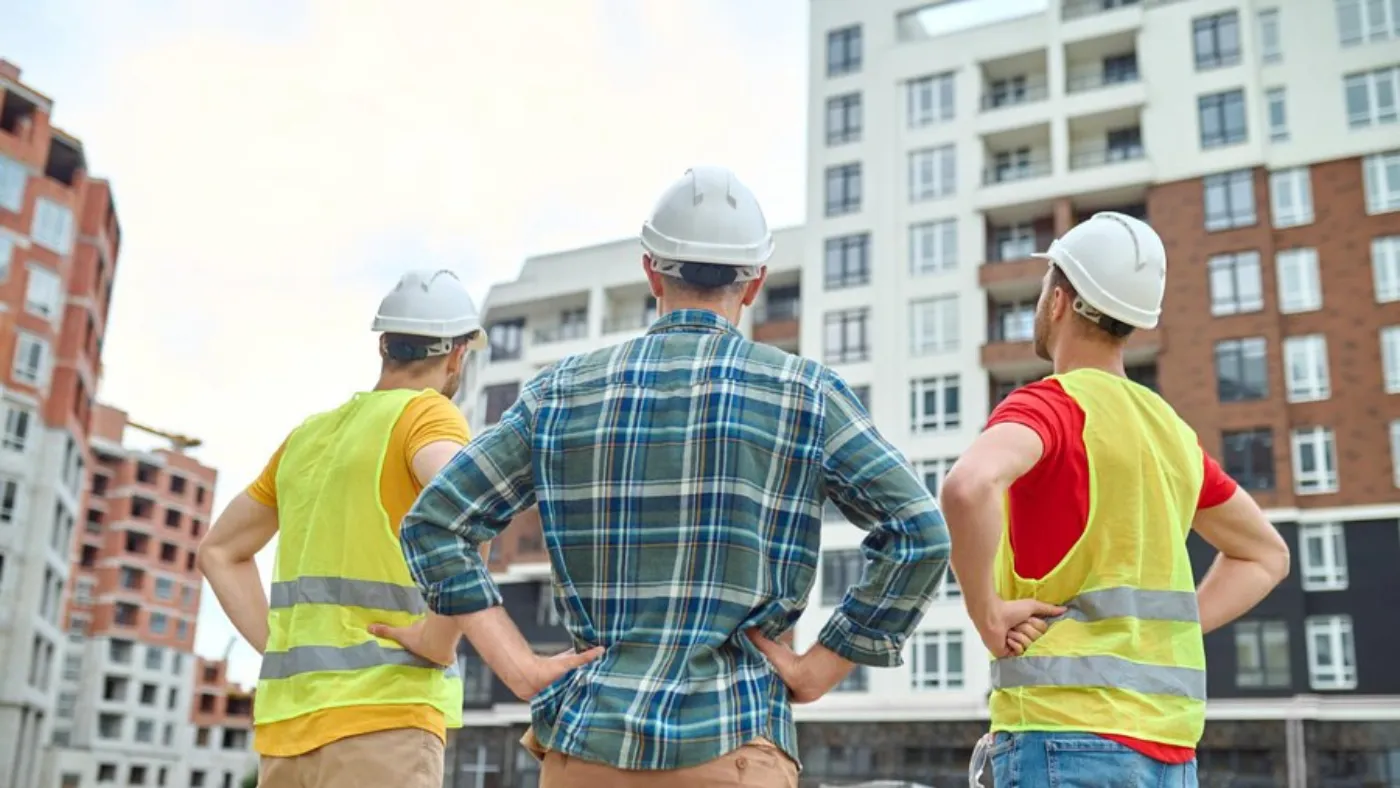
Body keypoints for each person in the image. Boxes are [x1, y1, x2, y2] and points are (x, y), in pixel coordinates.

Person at [389, 166, 987, 788]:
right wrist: (821, 667)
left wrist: (517, 666)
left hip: (588, 748)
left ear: (652, 272)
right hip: (734, 745)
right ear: (754, 283)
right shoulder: (805, 393)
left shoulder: (560, 392)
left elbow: (437, 521)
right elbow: (919, 532)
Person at [939, 212, 1292, 788]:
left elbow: (967, 486)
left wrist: (987, 615)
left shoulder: (1050, 405)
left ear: (1058, 301)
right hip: (1171, 754)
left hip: (1062, 736)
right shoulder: (1170, 434)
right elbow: (1266, 555)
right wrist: (1172, 628)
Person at [196, 269, 495, 788]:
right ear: (457, 354)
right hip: (383, 722)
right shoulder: (427, 415)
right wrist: (440, 638)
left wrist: (284, 649)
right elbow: (472, 503)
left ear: (383, 345)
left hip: (288, 737)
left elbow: (218, 552)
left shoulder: (306, 438)